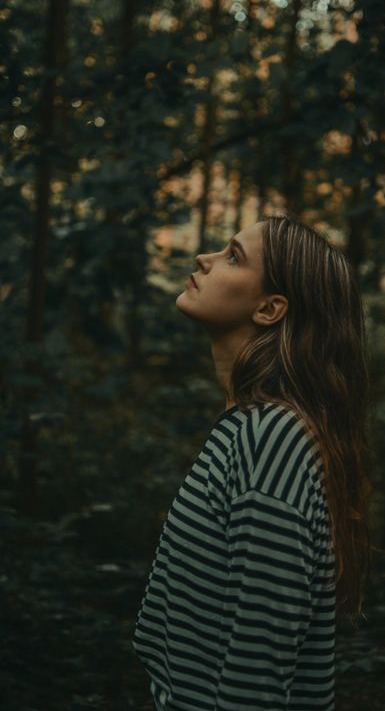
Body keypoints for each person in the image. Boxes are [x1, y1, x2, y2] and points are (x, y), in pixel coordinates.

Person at [133, 215, 372, 711]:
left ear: (270, 308)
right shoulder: (247, 428)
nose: (205, 259)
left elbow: (255, 675)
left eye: (233, 256)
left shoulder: (273, 438)